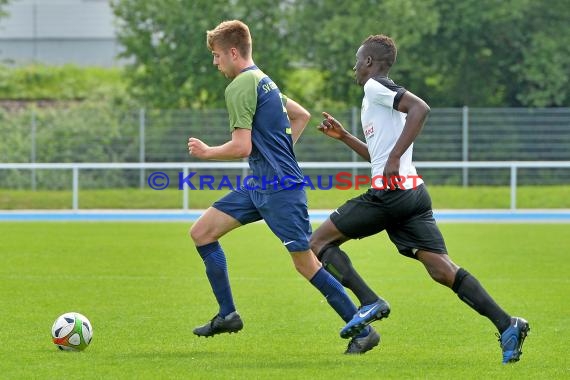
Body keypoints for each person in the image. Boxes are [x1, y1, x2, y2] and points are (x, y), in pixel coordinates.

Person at [310, 34, 530, 364]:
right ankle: (507, 324)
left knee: (317, 242)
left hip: (391, 194)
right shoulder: (381, 97)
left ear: (369, 62)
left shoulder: (375, 87)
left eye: (357, 61)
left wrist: (395, 158)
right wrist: (344, 137)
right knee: (442, 269)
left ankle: (369, 301)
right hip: (412, 194)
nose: (354, 67)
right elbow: (379, 155)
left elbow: (421, 109)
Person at [187, 20, 379, 355]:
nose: (215, 62)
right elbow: (301, 115)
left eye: (217, 56)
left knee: (305, 263)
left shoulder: (239, 85)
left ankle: (363, 330)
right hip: (259, 185)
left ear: (233, 52)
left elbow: (241, 146)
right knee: (202, 232)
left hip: (279, 190)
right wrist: (279, 154)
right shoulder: (265, 81)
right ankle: (228, 314)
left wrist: (207, 152)